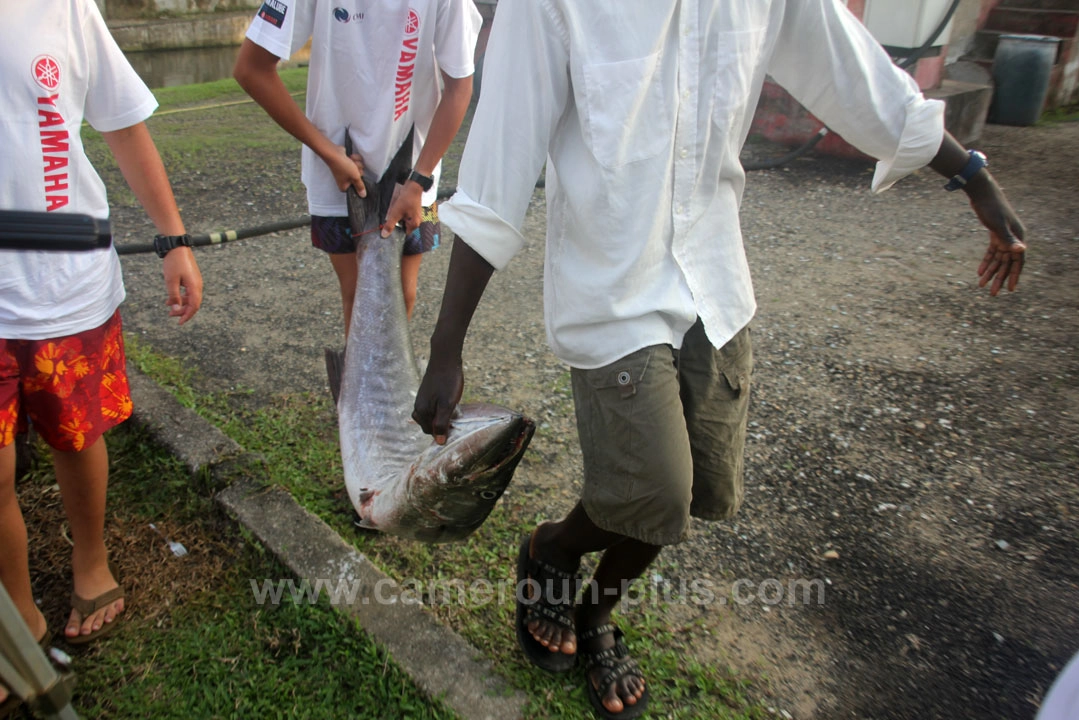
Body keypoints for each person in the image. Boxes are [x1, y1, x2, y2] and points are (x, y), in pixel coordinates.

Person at [410, 1, 1027, 718]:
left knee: (700, 487)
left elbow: (855, 73)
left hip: (714, 278)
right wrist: (446, 346)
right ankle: (552, 548)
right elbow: (497, 167)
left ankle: (595, 611)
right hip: (612, 288)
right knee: (658, 491)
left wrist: (972, 175)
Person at [0, 0, 203, 705]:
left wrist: (173, 238)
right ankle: (17, 612)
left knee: (75, 433)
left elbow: (121, 123)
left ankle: (91, 560)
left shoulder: (64, 7)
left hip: (66, 280)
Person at [233, 0, 481, 345]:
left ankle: (388, 395)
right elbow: (251, 68)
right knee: (358, 297)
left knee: (404, 294)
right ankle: (358, 397)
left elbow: (460, 86)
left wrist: (419, 179)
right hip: (339, 172)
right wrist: (326, 150)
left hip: (415, 174)